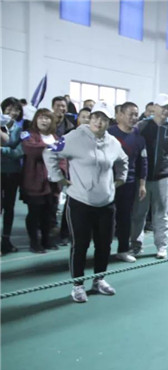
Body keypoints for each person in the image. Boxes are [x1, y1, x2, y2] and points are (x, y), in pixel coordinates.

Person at [43, 101, 128, 303]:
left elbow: (123, 160)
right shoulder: (74, 137)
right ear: (90, 118)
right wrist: (59, 178)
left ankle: (99, 280)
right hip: (80, 201)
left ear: (109, 122)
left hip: (106, 203)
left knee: (104, 245)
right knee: (80, 245)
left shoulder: (113, 142)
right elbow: (49, 152)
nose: (99, 122)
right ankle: (78, 285)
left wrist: (120, 179)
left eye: (104, 119)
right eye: (96, 117)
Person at [130, 94, 168, 259]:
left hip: (163, 178)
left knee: (161, 214)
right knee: (138, 213)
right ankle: (135, 246)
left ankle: (162, 246)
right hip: (142, 179)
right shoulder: (142, 126)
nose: (166, 110)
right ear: (155, 107)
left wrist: (167, 164)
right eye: (163, 107)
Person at [107, 102, 147, 262]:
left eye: (136, 114)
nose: (134, 117)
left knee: (125, 218)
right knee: (106, 219)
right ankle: (102, 250)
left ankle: (123, 250)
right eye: (131, 114)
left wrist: (142, 184)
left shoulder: (139, 138)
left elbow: (143, 163)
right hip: (107, 183)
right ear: (121, 115)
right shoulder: (109, 133)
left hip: (128, 184)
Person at [20, 108, 62, 253]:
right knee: (34, 213)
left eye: (47, 118)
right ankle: (34, 242)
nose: (44, 121)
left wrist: (61, 173)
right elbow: (31, 150)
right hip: (34, 181)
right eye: (41, 118)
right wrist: (51, 147)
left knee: (49, 213)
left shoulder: (55, 137)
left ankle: (46, 240)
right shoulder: (28, 135)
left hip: (52, 183)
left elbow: (62, 157)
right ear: (35, 120)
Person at [1, 97, 24, 254]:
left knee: (9, 208)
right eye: (9, 109)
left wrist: (2, 150)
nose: (12, 112)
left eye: (16, 109)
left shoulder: (21, 130)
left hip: (13, 174)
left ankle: (6, 240)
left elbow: (19, 152)